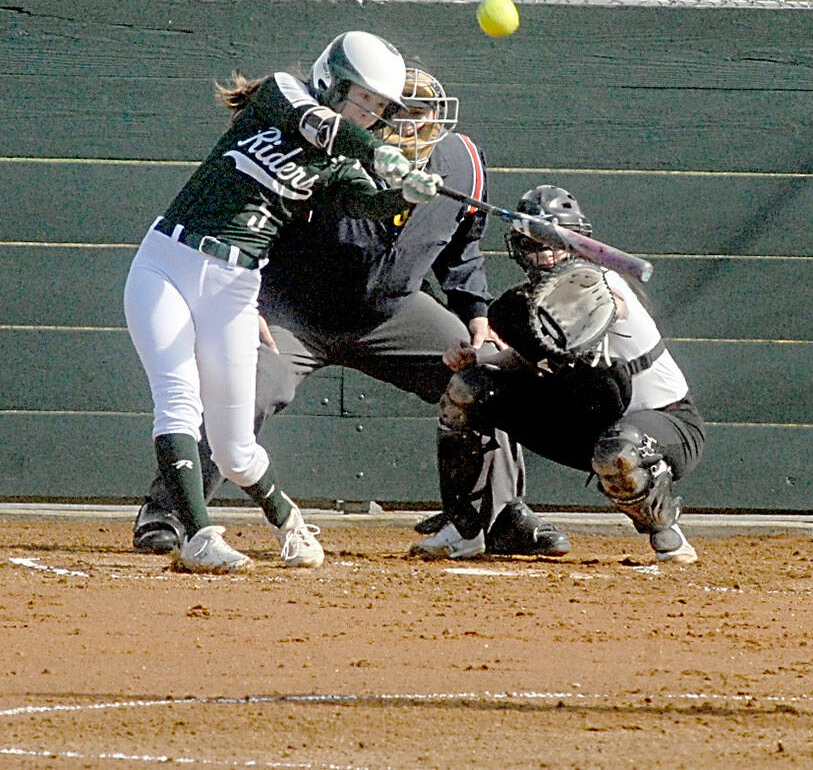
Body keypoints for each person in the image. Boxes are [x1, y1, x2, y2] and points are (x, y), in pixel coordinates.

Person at [131, 67, 571, 562]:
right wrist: (248, 301)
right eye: (396, 112)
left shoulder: (463, 161)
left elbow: (462, 253)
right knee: (247, 386)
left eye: (422, 114)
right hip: (295, 310)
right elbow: (258, 222)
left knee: (483, 373)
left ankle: (496, 514)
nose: (412, 125)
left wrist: (475, 315)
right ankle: (169, 511)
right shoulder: (329, 153)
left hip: (393, 310)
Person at [123, 30, 446, 573]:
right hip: (167, 262)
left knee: (234, 448)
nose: (369, 112)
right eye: (361, 97)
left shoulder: (340, 162)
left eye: (378, 107)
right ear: (332, 80)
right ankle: (199, 537)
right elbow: (323, 126)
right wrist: (377, 149)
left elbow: (365, 201)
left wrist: (403, 195)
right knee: (177, 400)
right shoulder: (282, 94)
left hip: (234, 286)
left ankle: (289, 522)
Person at [415, 186, 705, 563]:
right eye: (536, 244)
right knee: (471, 387)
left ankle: (667, 531)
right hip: (588, 423)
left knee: (618, 451)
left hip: (666, 425)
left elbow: (592, 318)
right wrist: (477, 358)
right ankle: (466, 527)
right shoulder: (531, 304)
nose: (547, 254)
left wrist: (596, 303)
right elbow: (529, 361)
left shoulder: (602, 285)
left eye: (556, 241)